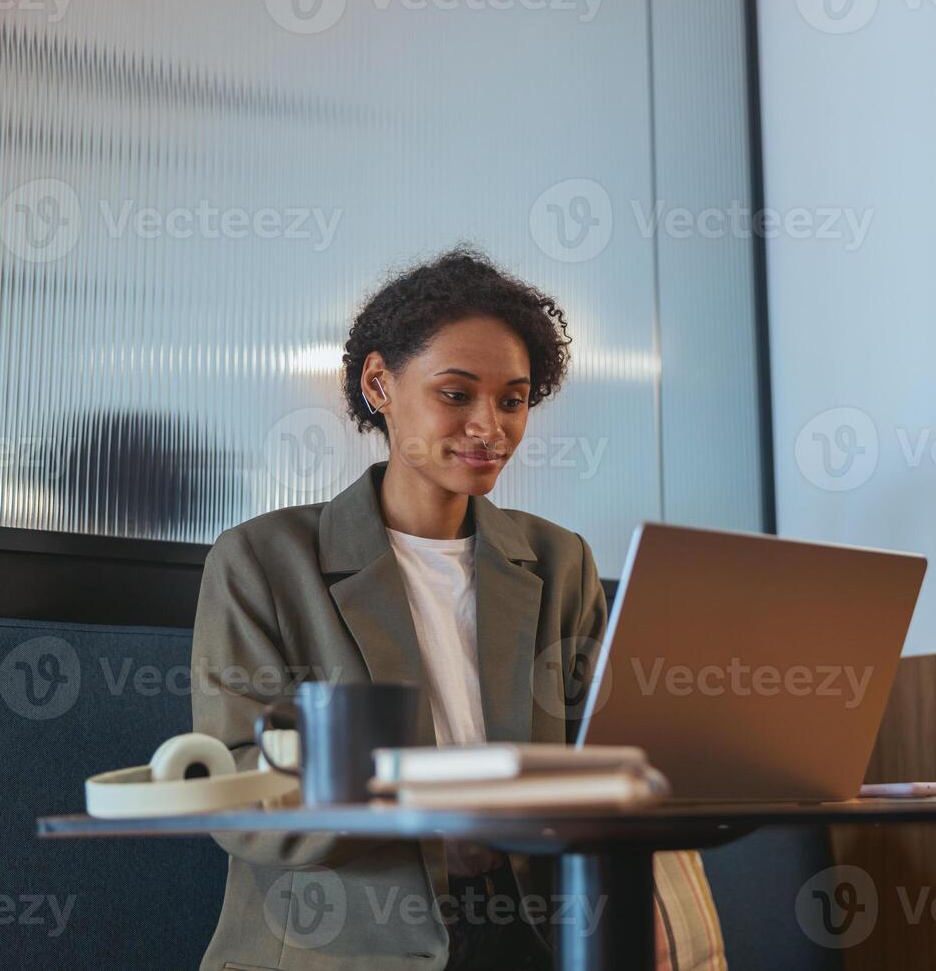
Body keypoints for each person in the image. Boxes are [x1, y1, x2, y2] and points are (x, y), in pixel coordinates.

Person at [191, 246, 726, 970]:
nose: (490, 426)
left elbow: (607, 761)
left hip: (532, 931)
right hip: (346, 942)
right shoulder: (263, 561)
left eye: (513, 399)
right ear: (379, 383)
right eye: (456, 394)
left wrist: (641, 893)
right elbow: (236, 785)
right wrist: (436, 817)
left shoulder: (560, 562)